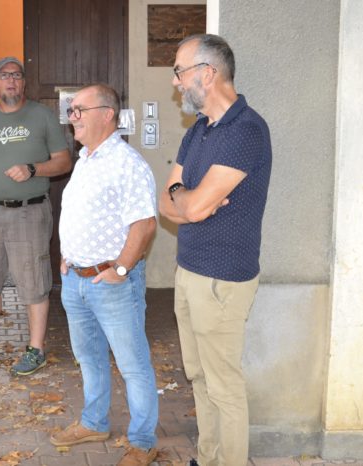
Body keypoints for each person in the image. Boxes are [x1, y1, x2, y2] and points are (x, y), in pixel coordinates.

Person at [159, 34, 272, 466]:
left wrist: (188, 199)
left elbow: (197, 204)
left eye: (179, 71)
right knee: (199, 377)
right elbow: (168, 204)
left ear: (207, 73)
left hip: (223, 279)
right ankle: (208, 459)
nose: (175, 83)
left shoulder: (246, 130)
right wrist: (185, 197)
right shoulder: (200, 130)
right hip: (189, 271)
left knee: (223, 385)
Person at [51, 84, 158, 466]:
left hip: (111, 284)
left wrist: (122, 269)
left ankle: (143, 441)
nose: (72, 116)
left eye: (79, 109)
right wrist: (68, 257)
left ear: (107, 114)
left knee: (132, 364)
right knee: (90, 358)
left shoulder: (127, 163)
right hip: (76, 281)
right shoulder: (85, 159)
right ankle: (94, 422)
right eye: (72, 109)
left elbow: (144, 224)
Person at [0, 56, 71, 376]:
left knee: (34, 284)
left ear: (23, 82)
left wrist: (34, 168)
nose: (11, 81)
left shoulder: (42, 116)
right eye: (4, 76)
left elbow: (63, 162)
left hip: (29, 213)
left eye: (17, 76)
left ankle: (36, 350)